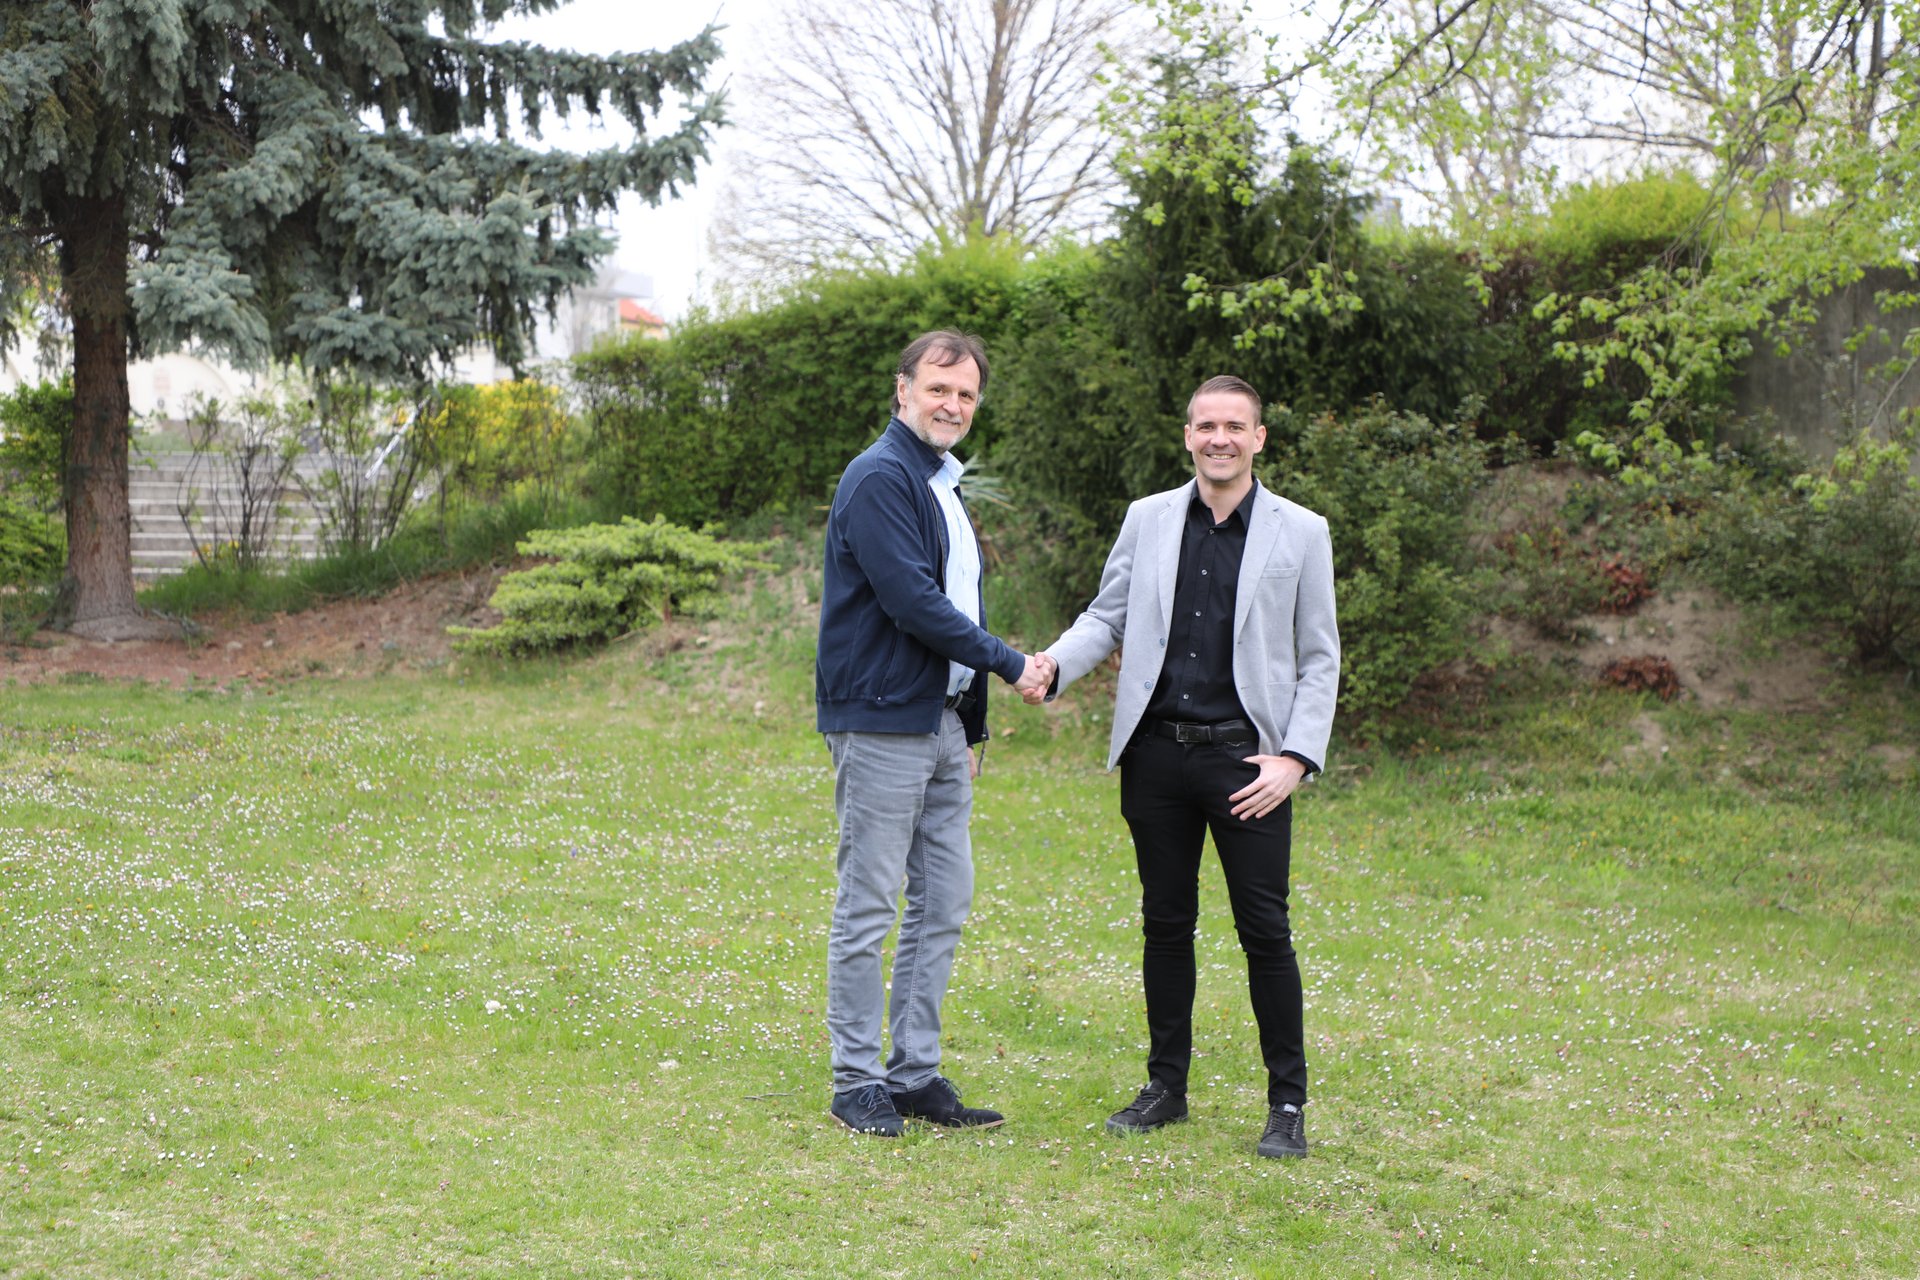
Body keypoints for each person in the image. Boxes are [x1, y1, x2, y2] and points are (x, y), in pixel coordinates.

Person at [1031, 374, 1339, 1159]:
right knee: (1165, 926)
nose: (1219, 439)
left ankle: (1288, 1104)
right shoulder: (1149, 518)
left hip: (1249, 765)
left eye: (1234, 426)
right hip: (1156, 757)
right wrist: (1053, 667)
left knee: (1265, 932)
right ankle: (1165, 1087)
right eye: (1206, 425)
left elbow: (1320, 657)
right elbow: (1107, 615)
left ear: (1258, 437)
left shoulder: (1303, 532)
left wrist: (1297, 759)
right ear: (1188, 435)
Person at [816, 330, 1055, 1138]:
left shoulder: (940, 482)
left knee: (943, 900)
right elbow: (913, 603)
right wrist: (1011, 664)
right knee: (869, 905)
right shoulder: (880, 477)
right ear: (903, 389)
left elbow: (956, 600)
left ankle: (913, 1075)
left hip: (942, 723)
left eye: (966, 395)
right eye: (938, 389)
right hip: (883, 720)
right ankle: (856, 1081)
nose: (952, 405)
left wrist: (970, 718)